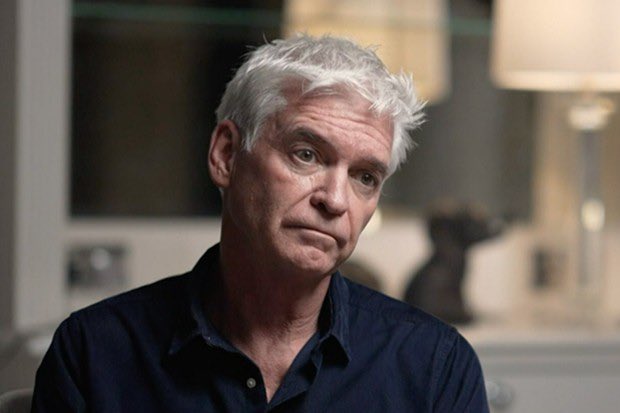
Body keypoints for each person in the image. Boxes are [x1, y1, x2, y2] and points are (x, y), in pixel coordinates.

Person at [32, 35, 489, 412]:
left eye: (365, 177)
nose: (335, 200)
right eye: (306, 155)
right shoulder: (94, 354)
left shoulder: (435, 368)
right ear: (226, 155)